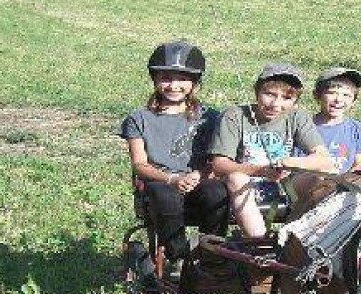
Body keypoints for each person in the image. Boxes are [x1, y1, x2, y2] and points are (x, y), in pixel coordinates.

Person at [119, 40, 228, 263]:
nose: (174, 85)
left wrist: (199, 175)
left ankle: (211, 253)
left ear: (195, 82)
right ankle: (178, 257)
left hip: (199, 179)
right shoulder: (139, 119)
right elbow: (139, 165)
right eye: (166, 78)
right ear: (155, 79)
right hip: (161, 182)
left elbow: (217, 157)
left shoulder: (210, 116)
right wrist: (172, 178)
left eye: (182, 79)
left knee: (217, 192)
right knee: (165, 195)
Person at [208, 63, 334, 239]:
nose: (276, 104)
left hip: (285, 185)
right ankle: (260, 242)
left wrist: (292, 163)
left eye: (286, 98)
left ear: (295, 101)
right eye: (269, 94)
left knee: (324, 175)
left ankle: (300, 237)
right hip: (246, 185)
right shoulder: (235, 116)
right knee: (236, 178)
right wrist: (260, 171)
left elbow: (324, 159)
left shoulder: (297, 118)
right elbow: (219, 165)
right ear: (257, 92)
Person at [311, 67, 361, 173]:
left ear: (353, 101)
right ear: (317, 95)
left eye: (346, 95)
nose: (339, 99)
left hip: (344, 185)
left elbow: (358, 165)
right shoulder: (303, 126)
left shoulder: (358, 130)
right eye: (332, 92)